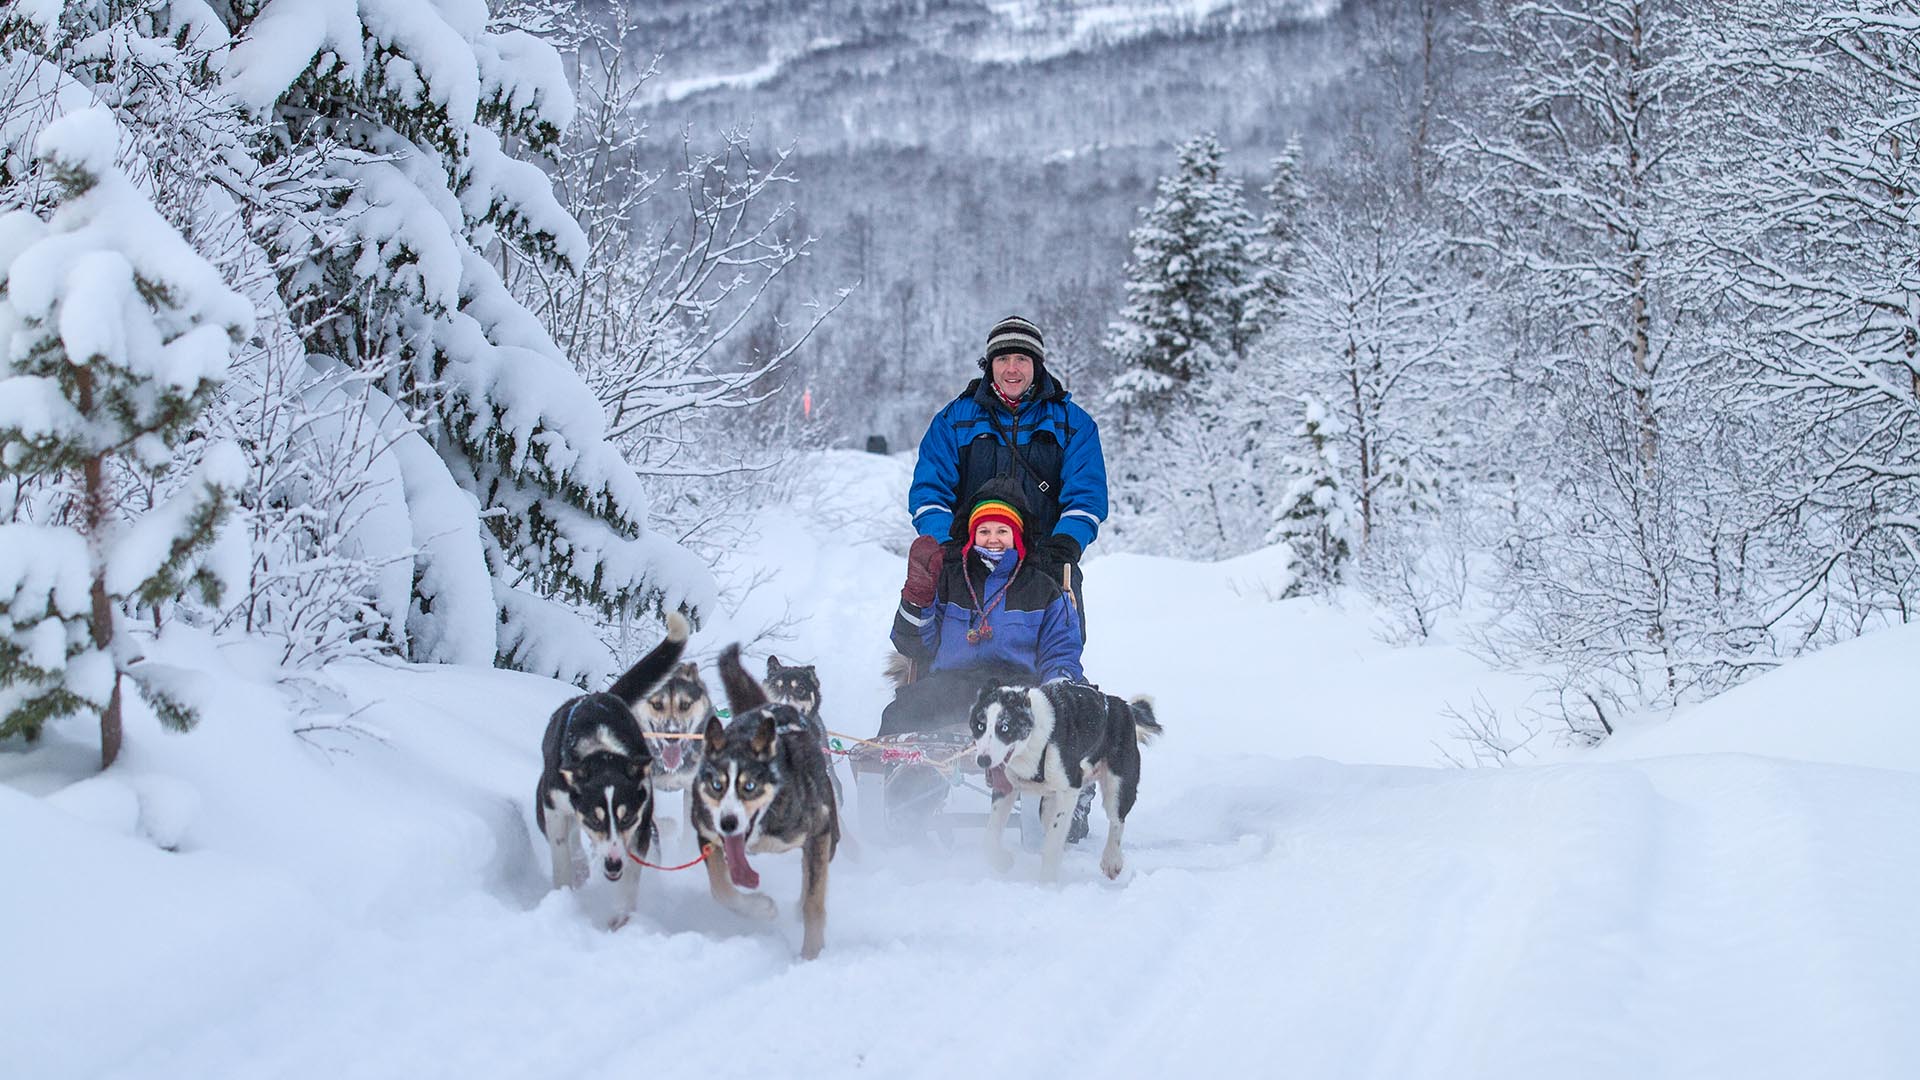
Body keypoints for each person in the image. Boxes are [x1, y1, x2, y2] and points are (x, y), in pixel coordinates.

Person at [902, 315, 1107, 645]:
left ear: (1037, 365)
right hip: (968, 555)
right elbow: (930, 493)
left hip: (1045, 557)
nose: (1012, 369)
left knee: (1058, 646)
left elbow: (1086, 496)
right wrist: (948, 545)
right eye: (1003, 359)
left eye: (1022, 359)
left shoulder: (1074, 424)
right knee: (942, 648)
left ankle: (1058, 688)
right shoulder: (954, 420)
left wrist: (1065, 545)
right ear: (989, 365)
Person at [880, 483, 1084, 738]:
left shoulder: (1043, 588)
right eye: (984, 530)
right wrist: (917, 598)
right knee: (898, 715)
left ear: (1017, 535)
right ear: (973, 535)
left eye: (1002, 530)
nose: (993, 538)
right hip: (949, 685)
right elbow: (915, 646)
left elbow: (1061, 651)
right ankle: (886, 774)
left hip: (1016, 691)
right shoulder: (949, 579)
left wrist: (1057, 693)